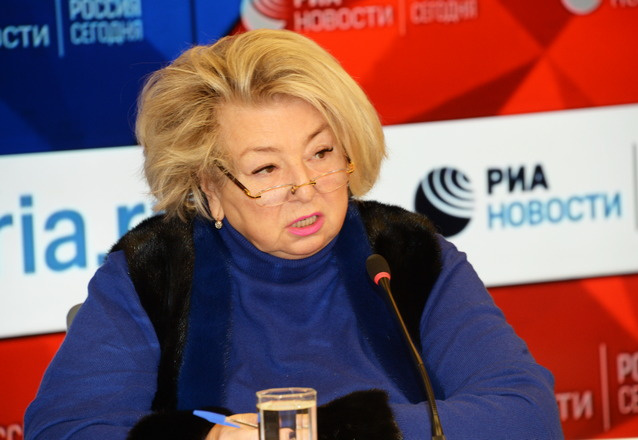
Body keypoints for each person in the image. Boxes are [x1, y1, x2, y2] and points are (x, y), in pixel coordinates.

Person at [24, 29, 563, 440]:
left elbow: (528, 414)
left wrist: (321, 432)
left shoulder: (404, 255)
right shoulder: (154, 271)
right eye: (266, 169)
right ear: (209, 186)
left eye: (321, 153)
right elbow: (65, 428)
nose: (306, 188)